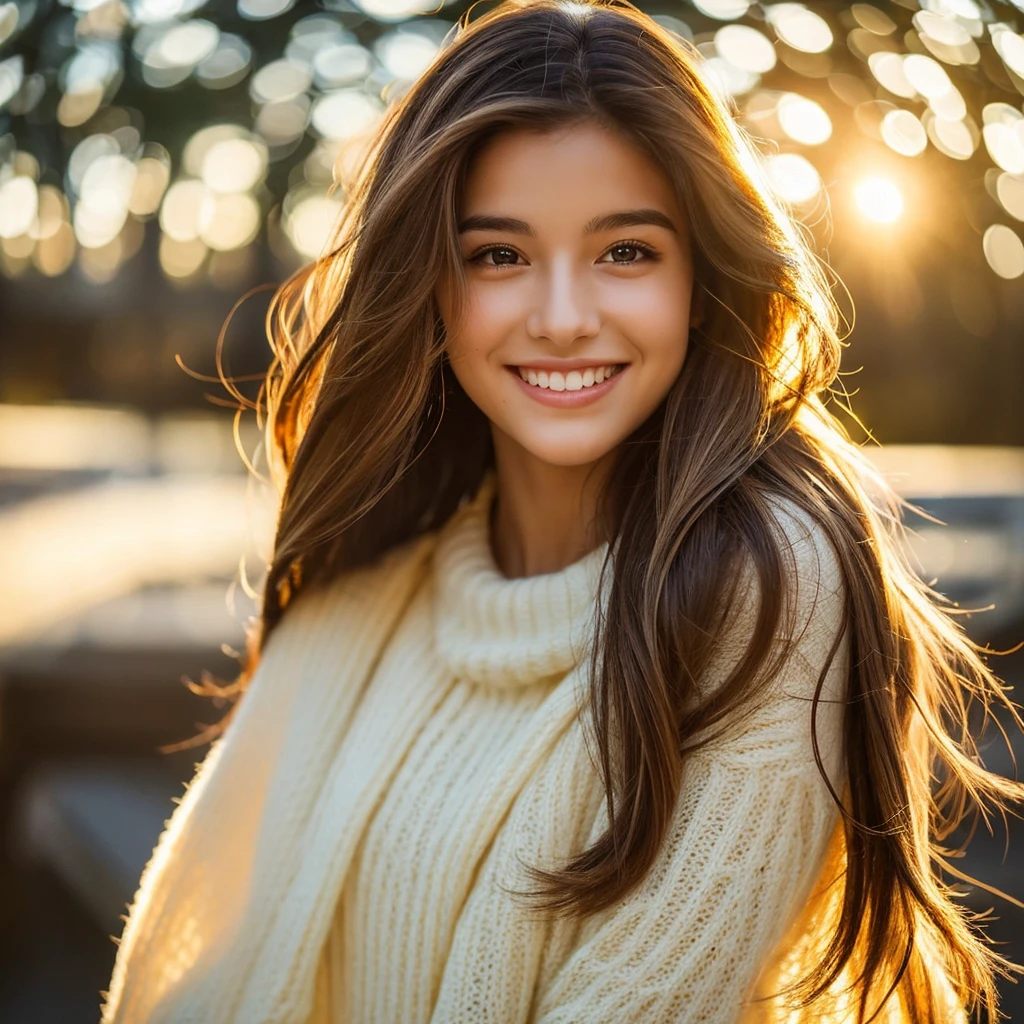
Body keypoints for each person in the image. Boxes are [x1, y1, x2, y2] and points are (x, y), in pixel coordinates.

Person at [99, 1, 1024, 1021]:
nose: (563, 317)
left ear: (699, 276)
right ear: (431, 284)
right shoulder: (368, 594)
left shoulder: (771, 582)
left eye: (625, 251)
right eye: (499, 255)